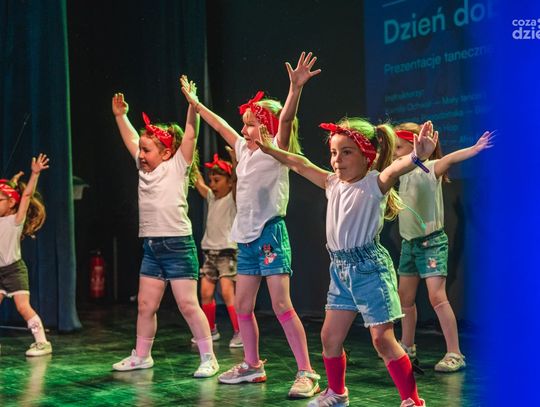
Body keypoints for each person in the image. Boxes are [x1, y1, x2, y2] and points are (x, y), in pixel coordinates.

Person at [256, 118, 438, 407]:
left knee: (382, 340)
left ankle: (412, 400)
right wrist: (270, 149)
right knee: (329, 337)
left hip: (370, 270)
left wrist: (417, 156)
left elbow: (396, 168)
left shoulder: (374, 183)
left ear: (367, 156)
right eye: (333, 153)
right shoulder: (332, 183)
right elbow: (300, 164)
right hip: (340, 270)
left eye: (346, 152)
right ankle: (337, 393)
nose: (337, 160)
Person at [180, 52, 322, 399]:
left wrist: (295, 89)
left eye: (251, 124)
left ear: (268, 127)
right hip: (245, 238)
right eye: (243, 124)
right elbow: (219, 126)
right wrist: (196, 104)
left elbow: (287, 119)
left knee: (282, 305)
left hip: (271, 234)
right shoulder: (243, 149)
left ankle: (306, 371)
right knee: (242, 306)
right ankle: (252, 364)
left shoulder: (277, 149)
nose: (244, 130)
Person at [110, 82, 219, 378]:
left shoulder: (177, 166)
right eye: (141, 150)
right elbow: (132, 139)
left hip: (177, 245)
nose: (140, 154)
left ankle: (208, 357)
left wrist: (193, 105)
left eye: (147, 150)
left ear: (167, 152)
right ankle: (142, 355)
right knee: (145, 305)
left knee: (187, 304)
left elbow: (191, 134)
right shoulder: (143, 167)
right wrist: (121, 116)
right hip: (152, 247)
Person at [393, 123, 493, 373]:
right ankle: (407, 346)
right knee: (404, 298)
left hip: (432, 243)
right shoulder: (400, 172)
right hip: (409, 244)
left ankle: (454, 353)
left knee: (437, 297)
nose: (394, 152)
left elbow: (450, 159)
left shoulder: (429, 168)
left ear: (415, 145)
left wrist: (474, 149)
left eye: (399, 147)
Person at [0, 154, 52, 357]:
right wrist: (11, 182)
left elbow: (27, 195)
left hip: (14, 270)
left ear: (12, 202)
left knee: (23, 307)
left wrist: (35, 173)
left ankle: (42, 343)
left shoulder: (15, 219)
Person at [191, 151, 242, 348]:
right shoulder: (212, 197)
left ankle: (240, 331)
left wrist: (235, 160)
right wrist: (191, 158)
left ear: (228, 182)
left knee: (228, 293)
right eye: (211, 180)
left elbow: (237, 179)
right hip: (210, 252)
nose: (212, 184)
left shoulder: (232, 198)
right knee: (205, 292)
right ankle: (210, 330)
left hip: (227, 251)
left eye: (217, 180)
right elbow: (198, 182)